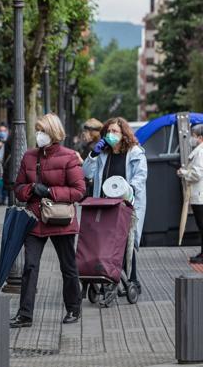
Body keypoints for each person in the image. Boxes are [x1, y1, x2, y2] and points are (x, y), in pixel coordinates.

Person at [10, 113, 85, 328]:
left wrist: (50, 191)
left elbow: (79, 190)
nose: (39, 134)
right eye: (38, 130)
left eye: (42, 130)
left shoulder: (69, 156)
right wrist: (30, 189)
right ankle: (25, 314)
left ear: (53, 133)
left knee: (68, 266)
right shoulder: (29, 157)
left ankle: (73, 307)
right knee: (30, 266)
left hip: (60, 219)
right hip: (35, 218)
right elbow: (17, 188)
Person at [83, 117, 147, 293]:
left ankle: (132, 280)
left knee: (127, 241)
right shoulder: (103, 154)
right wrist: (93, 155)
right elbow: (86, 173)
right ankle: (107, 277)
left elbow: (140, 178)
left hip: (126, 204)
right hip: (104, 204)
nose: (111, 135)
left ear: (123, 134)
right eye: (108, 132)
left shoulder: (135, 153)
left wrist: (129, 190)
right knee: (105, 241)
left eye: (115, 131)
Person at [178, 124, 203, 263]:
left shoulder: (200, 152)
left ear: (200, 138)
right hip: (199, 194)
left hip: (200, 194)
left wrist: (184, 172)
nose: (192, 139)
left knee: (202, 225)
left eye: (194, 136)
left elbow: (197, 173)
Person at [0, 123, 9, 206]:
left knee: (5, 183)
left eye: (4, 130)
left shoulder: (9, 140)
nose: (2, 132)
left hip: (6, 165)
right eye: (1, 131)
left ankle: (4, 199)